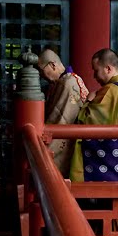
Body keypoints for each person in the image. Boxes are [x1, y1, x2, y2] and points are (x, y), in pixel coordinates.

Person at [69, 48, 118, 232]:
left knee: (107, 203)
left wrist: (87, 102)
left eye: (96, 70)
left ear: (108, 68)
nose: (94, 75)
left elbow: (88, 120)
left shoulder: (109, 91)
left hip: (111, 165)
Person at [37, 48, 89, 177]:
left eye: (41, 70)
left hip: (71, 143)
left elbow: (61, 118)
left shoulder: (68, 83)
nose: (41, 75)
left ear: (52, 65)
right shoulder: (63, 81)